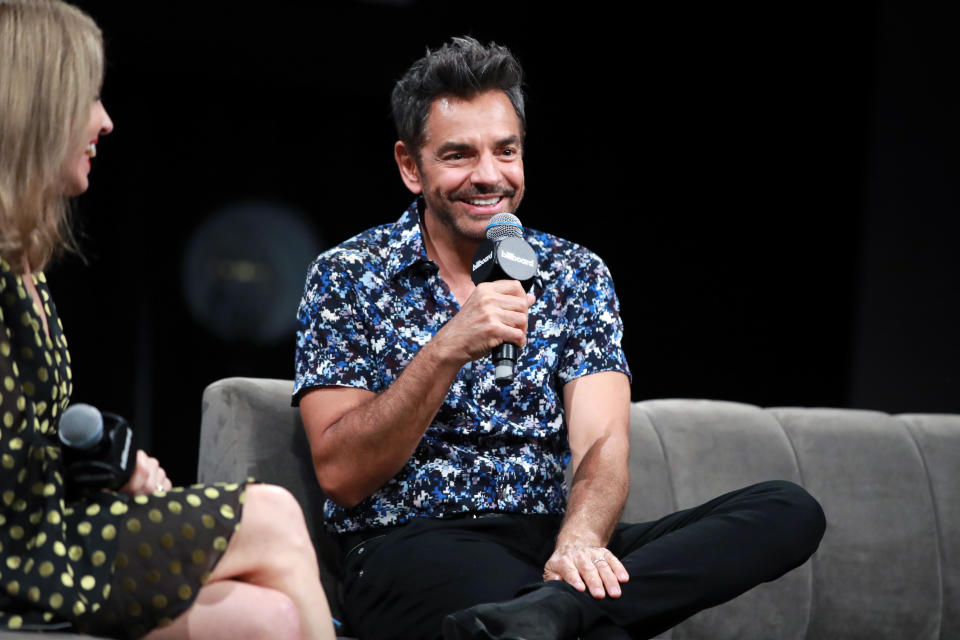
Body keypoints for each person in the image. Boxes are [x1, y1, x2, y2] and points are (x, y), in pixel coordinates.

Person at [295, 36, 826, 640]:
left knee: (786, 510)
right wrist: (446, 348)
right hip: (414, 542)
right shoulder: (347, 274)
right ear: (411, 167)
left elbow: (602, 441)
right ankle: (555, 613)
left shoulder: (575, 273)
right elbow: (342, 473)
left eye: (506, 151)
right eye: (459, 155)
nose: (488, 176)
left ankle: (555, 608)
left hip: (548, 539)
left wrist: (579, 543)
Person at [0, 2, 336, 638]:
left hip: (50, 530)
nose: (105, 121)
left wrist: (104, 464)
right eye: (89, 99)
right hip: (25, 552)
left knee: (269, 618)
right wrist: (115, 475)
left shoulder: (26, 263)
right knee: (271, 513)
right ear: (39, 110)